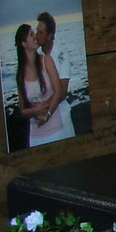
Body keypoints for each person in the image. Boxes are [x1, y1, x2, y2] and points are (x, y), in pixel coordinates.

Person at [14, 23, 66, 147]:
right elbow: (22, 110)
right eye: (31, 35)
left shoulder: (46, 60)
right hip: (35, 137)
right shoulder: (20, 74)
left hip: (56, 131)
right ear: (24, 43)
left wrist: (46, 115)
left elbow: (58, 91)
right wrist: (34, 111)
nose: (35, 37)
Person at [33, 11, 72, 144]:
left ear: (49, 36)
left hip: (61, 115)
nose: (37, 35)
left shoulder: (61, 54)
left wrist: (44, 110)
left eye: (41, 33)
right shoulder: (35, 56)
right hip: (43, 122)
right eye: (36, 31)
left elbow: (62, 91)